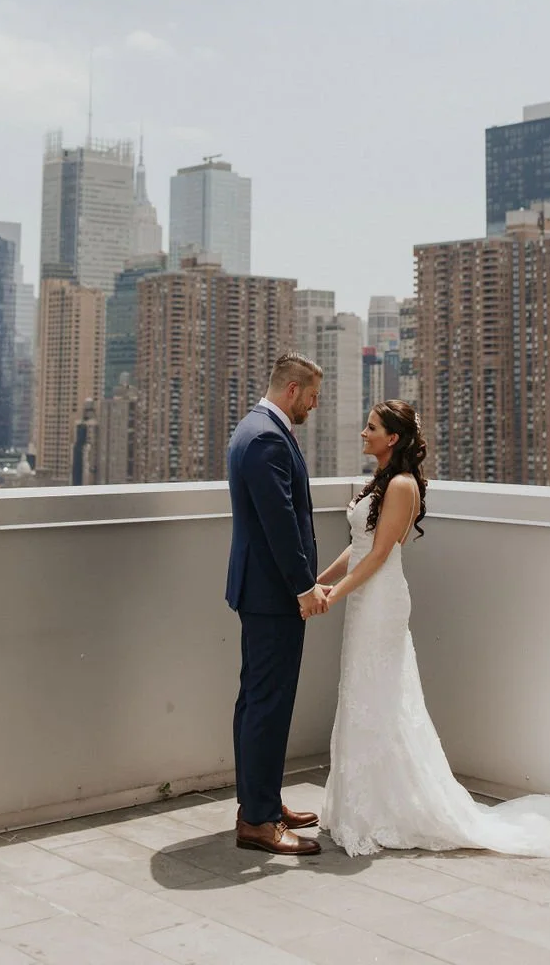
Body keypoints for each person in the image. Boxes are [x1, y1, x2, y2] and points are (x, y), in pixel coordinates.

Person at [319, 399, 550, 859]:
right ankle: (365, 804)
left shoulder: (399, 485)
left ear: (392, 438)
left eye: (371, 427)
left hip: (380, 600)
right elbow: (358, 548)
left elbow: (378, 556)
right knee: (364, 693)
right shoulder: (380, 481)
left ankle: (385, 810)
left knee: (378, 695)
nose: (363, 433)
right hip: (364, 597)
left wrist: (332, 597)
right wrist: (321, 580)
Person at [225, 352, 327, 857]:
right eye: (312, 396)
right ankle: (258, 822)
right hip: (273, 595)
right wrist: (303, 587)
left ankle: (260, 801)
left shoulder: (253, 427)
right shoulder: (267, 436)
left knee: (256, 701)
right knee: (268, 704)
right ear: (292, 390)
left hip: (260, 593)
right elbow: (280, 523)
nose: (314, 405)